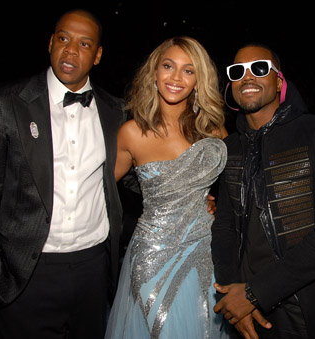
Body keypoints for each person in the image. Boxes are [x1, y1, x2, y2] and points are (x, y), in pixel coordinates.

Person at [0, 9, 129, 339]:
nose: (71, 50)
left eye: (84, 44)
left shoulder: (116, 110)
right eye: (64, 39)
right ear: (51, 42)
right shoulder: (5, 100)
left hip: (94, 270)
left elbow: (131, 175)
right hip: (25, 273)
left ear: (97, 56)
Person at [211, 43, 315, 339]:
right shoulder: (229, 148)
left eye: (259, 68)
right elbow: (224, 227)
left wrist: (253, 293)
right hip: (250, 315)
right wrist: (231, 294)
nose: (247, 77)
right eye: (237, 71)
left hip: (311, 310)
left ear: (278, 81)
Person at [105, 36, 229, 339]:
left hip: (206, 254)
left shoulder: (214, 131)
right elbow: (99, 189)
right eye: (168, 66)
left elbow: (235, 192)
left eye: (188, 70)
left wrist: (216, 202)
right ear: (154, 73)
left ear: (199, 79)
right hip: (153, 256)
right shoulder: (132, 132)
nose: (176, 78)